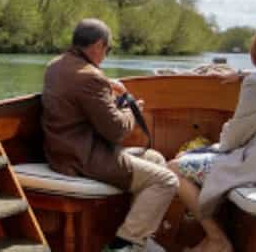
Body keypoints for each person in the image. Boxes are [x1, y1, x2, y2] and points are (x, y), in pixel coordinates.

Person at [169, 21, 256, 252]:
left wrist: (219, 140)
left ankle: (217, 239)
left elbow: (232, 139)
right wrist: (242, 74)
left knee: (174, 168)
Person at [41, 18, 178, 252]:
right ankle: (124, 244)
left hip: (61, 151)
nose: (106, 55)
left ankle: (139, 238)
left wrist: (106, 86)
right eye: (108, 49)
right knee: (166, 181)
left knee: (155, 158)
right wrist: (133, 111)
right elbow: (116, 131)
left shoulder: (55, 65)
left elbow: (81, 100)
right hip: (82, 157)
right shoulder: (90, 77)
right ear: (98, 45)